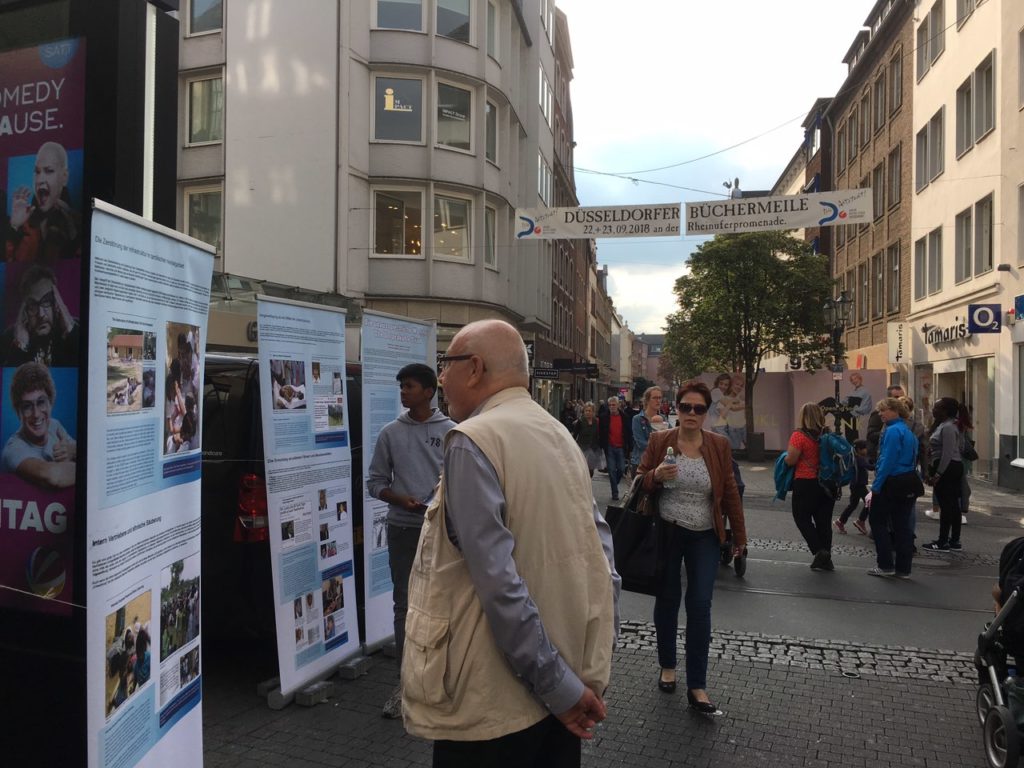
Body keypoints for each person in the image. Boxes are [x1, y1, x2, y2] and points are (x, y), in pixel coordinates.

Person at [404, 319, 618, 767]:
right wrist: (585, 670)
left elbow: (499, 585)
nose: (440, 378)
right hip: (563, 683)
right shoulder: (557, 433)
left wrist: (558, 687)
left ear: (474, 368)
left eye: (445, 363)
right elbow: (603, 560)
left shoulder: (473, 440)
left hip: (494, 704)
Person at [637, 380, 745, 715]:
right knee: (668, 600)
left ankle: (697, 685)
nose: (692, 413)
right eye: (686, 407)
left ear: (706, 412)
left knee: (700, 605)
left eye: (699, 408)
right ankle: (667, 665)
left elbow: (729, 490)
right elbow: (638, 479)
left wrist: (740, 537)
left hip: (705, 535)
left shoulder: (718, 445)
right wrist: (655, 475)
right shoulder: (660, 441)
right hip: (667, 532)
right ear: (677, 408)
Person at [367, 362, 455, 719]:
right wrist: (399, 499)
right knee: (404, 605)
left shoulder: (452, 432)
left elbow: (461, 480)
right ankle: (404, 686)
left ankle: (441, 682)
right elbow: (374, 482)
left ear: (429, 392)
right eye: (401, 386)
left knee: (445, 604)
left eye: (410, 386)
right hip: (403, 529)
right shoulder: (390, 433)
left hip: (442, 531)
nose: (403, 392)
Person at [866, 397, 918, 578]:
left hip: (891, 481)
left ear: (895, 410)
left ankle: (885, 565)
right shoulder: (908, 431)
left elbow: (887, 460)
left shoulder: (892, 431)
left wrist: (876, 486)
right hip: (908, 480)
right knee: (902, 526)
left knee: (877, 522)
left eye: (883, 410)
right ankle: (904, 568)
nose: (880, 414)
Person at [2, 362, 75, 488]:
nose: (36, 414)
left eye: (41, 402)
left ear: (50, 403)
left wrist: (72, 451)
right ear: (18, 412)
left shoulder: (54, 425)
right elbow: (52, 476)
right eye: (27, 406)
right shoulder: (13, 449)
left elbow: (75, 449)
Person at [6, 141, 81, 263]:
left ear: (64, 177)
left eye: (49, 171)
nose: (40, 179)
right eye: (37, 171)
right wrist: (14, 227)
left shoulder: (77, 225)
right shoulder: (21, 224)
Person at [784, 402, 836, 571]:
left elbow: (791, 460)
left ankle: (819, 551)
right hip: (827, 483)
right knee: (824, 522)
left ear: (803, 417)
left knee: (801, 517)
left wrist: (785, 458)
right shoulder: (828, 434)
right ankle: (826, 559)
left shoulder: (799, 436)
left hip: (806, 482)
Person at [1, 265, 79, 366]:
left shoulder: (76, 330)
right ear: (24, 310)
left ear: (56, 303)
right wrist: (20, 346)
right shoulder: (9, 338)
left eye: (46, 301)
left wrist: (70, 332)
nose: (41, 314)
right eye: (33, 305)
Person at [923, 397, 965, 552]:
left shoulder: (948, 427)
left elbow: (947, 453)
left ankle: (943, 541)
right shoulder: (948, 425)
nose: (934, 410)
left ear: (945, 411)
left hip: (948, 467)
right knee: (952, 505)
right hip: (950, 466)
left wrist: (938, 474)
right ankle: (954, 540)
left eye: (937, 407)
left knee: (947, 505)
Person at [598, 395, 633, 501]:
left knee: (621, 468)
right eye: (610, 405)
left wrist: (630, 447)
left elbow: (629, 433)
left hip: (621, 447)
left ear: (618, 405)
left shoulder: (624, 417)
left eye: (614, 405)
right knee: (612, 470)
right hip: (609, 447)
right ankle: (615, 493)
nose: (612, 407)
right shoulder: (604, 417)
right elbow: (600, 432)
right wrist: (601, 446)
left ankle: (615, 483)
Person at [834, 439, 870, 535]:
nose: (866, 450)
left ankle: (841, 521)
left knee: (853, 505)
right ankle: (860, 521)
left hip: (855, 485)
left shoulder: (855, 457)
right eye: (864, 448)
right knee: (869, 502)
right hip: (859, 485)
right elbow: (869, 466)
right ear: (859, 449)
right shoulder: (859, 459)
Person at [865, 384, 904, 466]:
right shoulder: (878, 414)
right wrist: (890, 433)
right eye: (896, 397)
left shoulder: (903, 414)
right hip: (881, 457)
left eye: (902, 397)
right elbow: (871, 434)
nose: (900, 400)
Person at [631, 386, 663, 472]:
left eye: (660, 398)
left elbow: (670, 438)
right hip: (641, 463)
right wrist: (659, 447)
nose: (658, 401)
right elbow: (640, 443)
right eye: (655, 398)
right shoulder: (637, 419)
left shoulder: (663, 419)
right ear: (647, 400)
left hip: (658, 465)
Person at [572, 402, 602, 478]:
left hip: (593, 448)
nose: (587, 412)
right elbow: (575, 435)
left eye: (589, 411)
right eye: (586, 411)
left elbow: (599, 435)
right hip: (582, 447)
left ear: (593, 412)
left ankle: (588, 481)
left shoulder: (596, 421)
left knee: (590, 470)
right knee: (583, 467)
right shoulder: (580, 421)